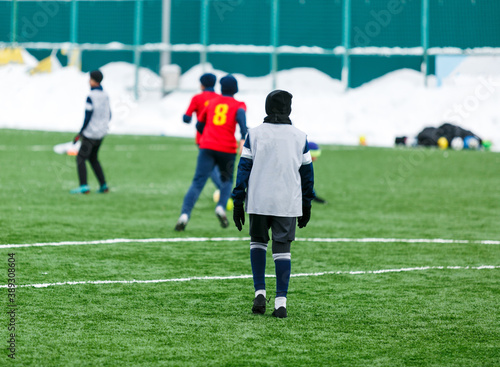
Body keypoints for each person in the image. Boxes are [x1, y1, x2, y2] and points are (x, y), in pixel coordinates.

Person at [231, 90, 315, 318]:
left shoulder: (254, 134)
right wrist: (307, 203)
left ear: (268, 108)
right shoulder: (299, 136)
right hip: (287, 202)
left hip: (258, 200)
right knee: (282, 249)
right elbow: (307, 174)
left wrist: (238, 199)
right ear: (289, 109)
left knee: (258, 243)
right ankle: (280, 302)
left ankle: (259, 292)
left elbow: (243, 168)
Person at [175, 75, 247, 231]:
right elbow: (242, 123)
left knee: (197, 182)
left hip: (207, 146)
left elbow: (199, 125)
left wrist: (208, 134)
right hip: (227, 148)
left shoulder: (212, 103)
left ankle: (184, 215)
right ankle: (221, 206)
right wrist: (242, 139)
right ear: (235, 89)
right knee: (227, 180)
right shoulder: (239, 105)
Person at [70, 70, 111, 194]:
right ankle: (103, 185)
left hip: (91, 132)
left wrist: (81, 133)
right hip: (101, 132)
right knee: (93, 158)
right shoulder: (105, 95)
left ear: (93, 80)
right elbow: (110, 114)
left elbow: (88, 116)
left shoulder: (91, 96)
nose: (89, 81)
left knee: (81, 158)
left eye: (90, 79)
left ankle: (84, 186)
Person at [183, 73, 222, 190]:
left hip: (203, 139)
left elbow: (187, 118)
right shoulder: (220, 98)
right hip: (218, 137)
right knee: (219, 166)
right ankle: (224, 190)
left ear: (202, 85)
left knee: (209, 167)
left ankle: (224, 191)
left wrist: (187, 118)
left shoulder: (197, 98)